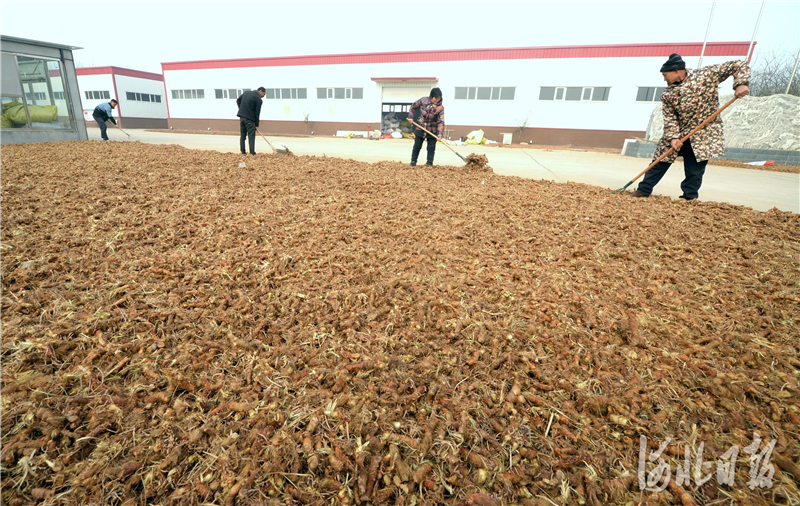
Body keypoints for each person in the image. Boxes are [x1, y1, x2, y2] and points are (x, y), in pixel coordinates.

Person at [631, 53, 750, 201]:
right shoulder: (668, 94)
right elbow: (670, 118)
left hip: (704, 132)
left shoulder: (705, 75)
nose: (664, 78)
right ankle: (643, 190)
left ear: (676, 71)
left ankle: (688, 198)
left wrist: (741, 83)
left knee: (694, 168)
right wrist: (673, 137)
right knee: (660, 160)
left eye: (665, 75)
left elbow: (738, 64)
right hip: (680, 131)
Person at [407, 88, 445, 167]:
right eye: (436, 98)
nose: (437, 100)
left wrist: (440, 134)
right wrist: (411, 117)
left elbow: (440, 121)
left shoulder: (440, 108)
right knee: (417, 146)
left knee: (431, 148)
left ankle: (429, 164)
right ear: (431, 96)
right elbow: (413, 106)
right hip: (420, 127)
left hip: (432, 129)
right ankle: (413, 161)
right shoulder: (423, 100)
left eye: (439, 98)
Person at [236, 87, 266, 155]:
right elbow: (257, 113)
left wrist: (241, 110)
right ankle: (252, 152)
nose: (263, 96)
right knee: (251, 136)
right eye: (263, 94)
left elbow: (238, 100)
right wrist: (256, 124)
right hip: (250, 119)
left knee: (243, 136)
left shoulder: (246, 93)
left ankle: (243, 152)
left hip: (242, 117)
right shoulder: (258, 99)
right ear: (260, 91)